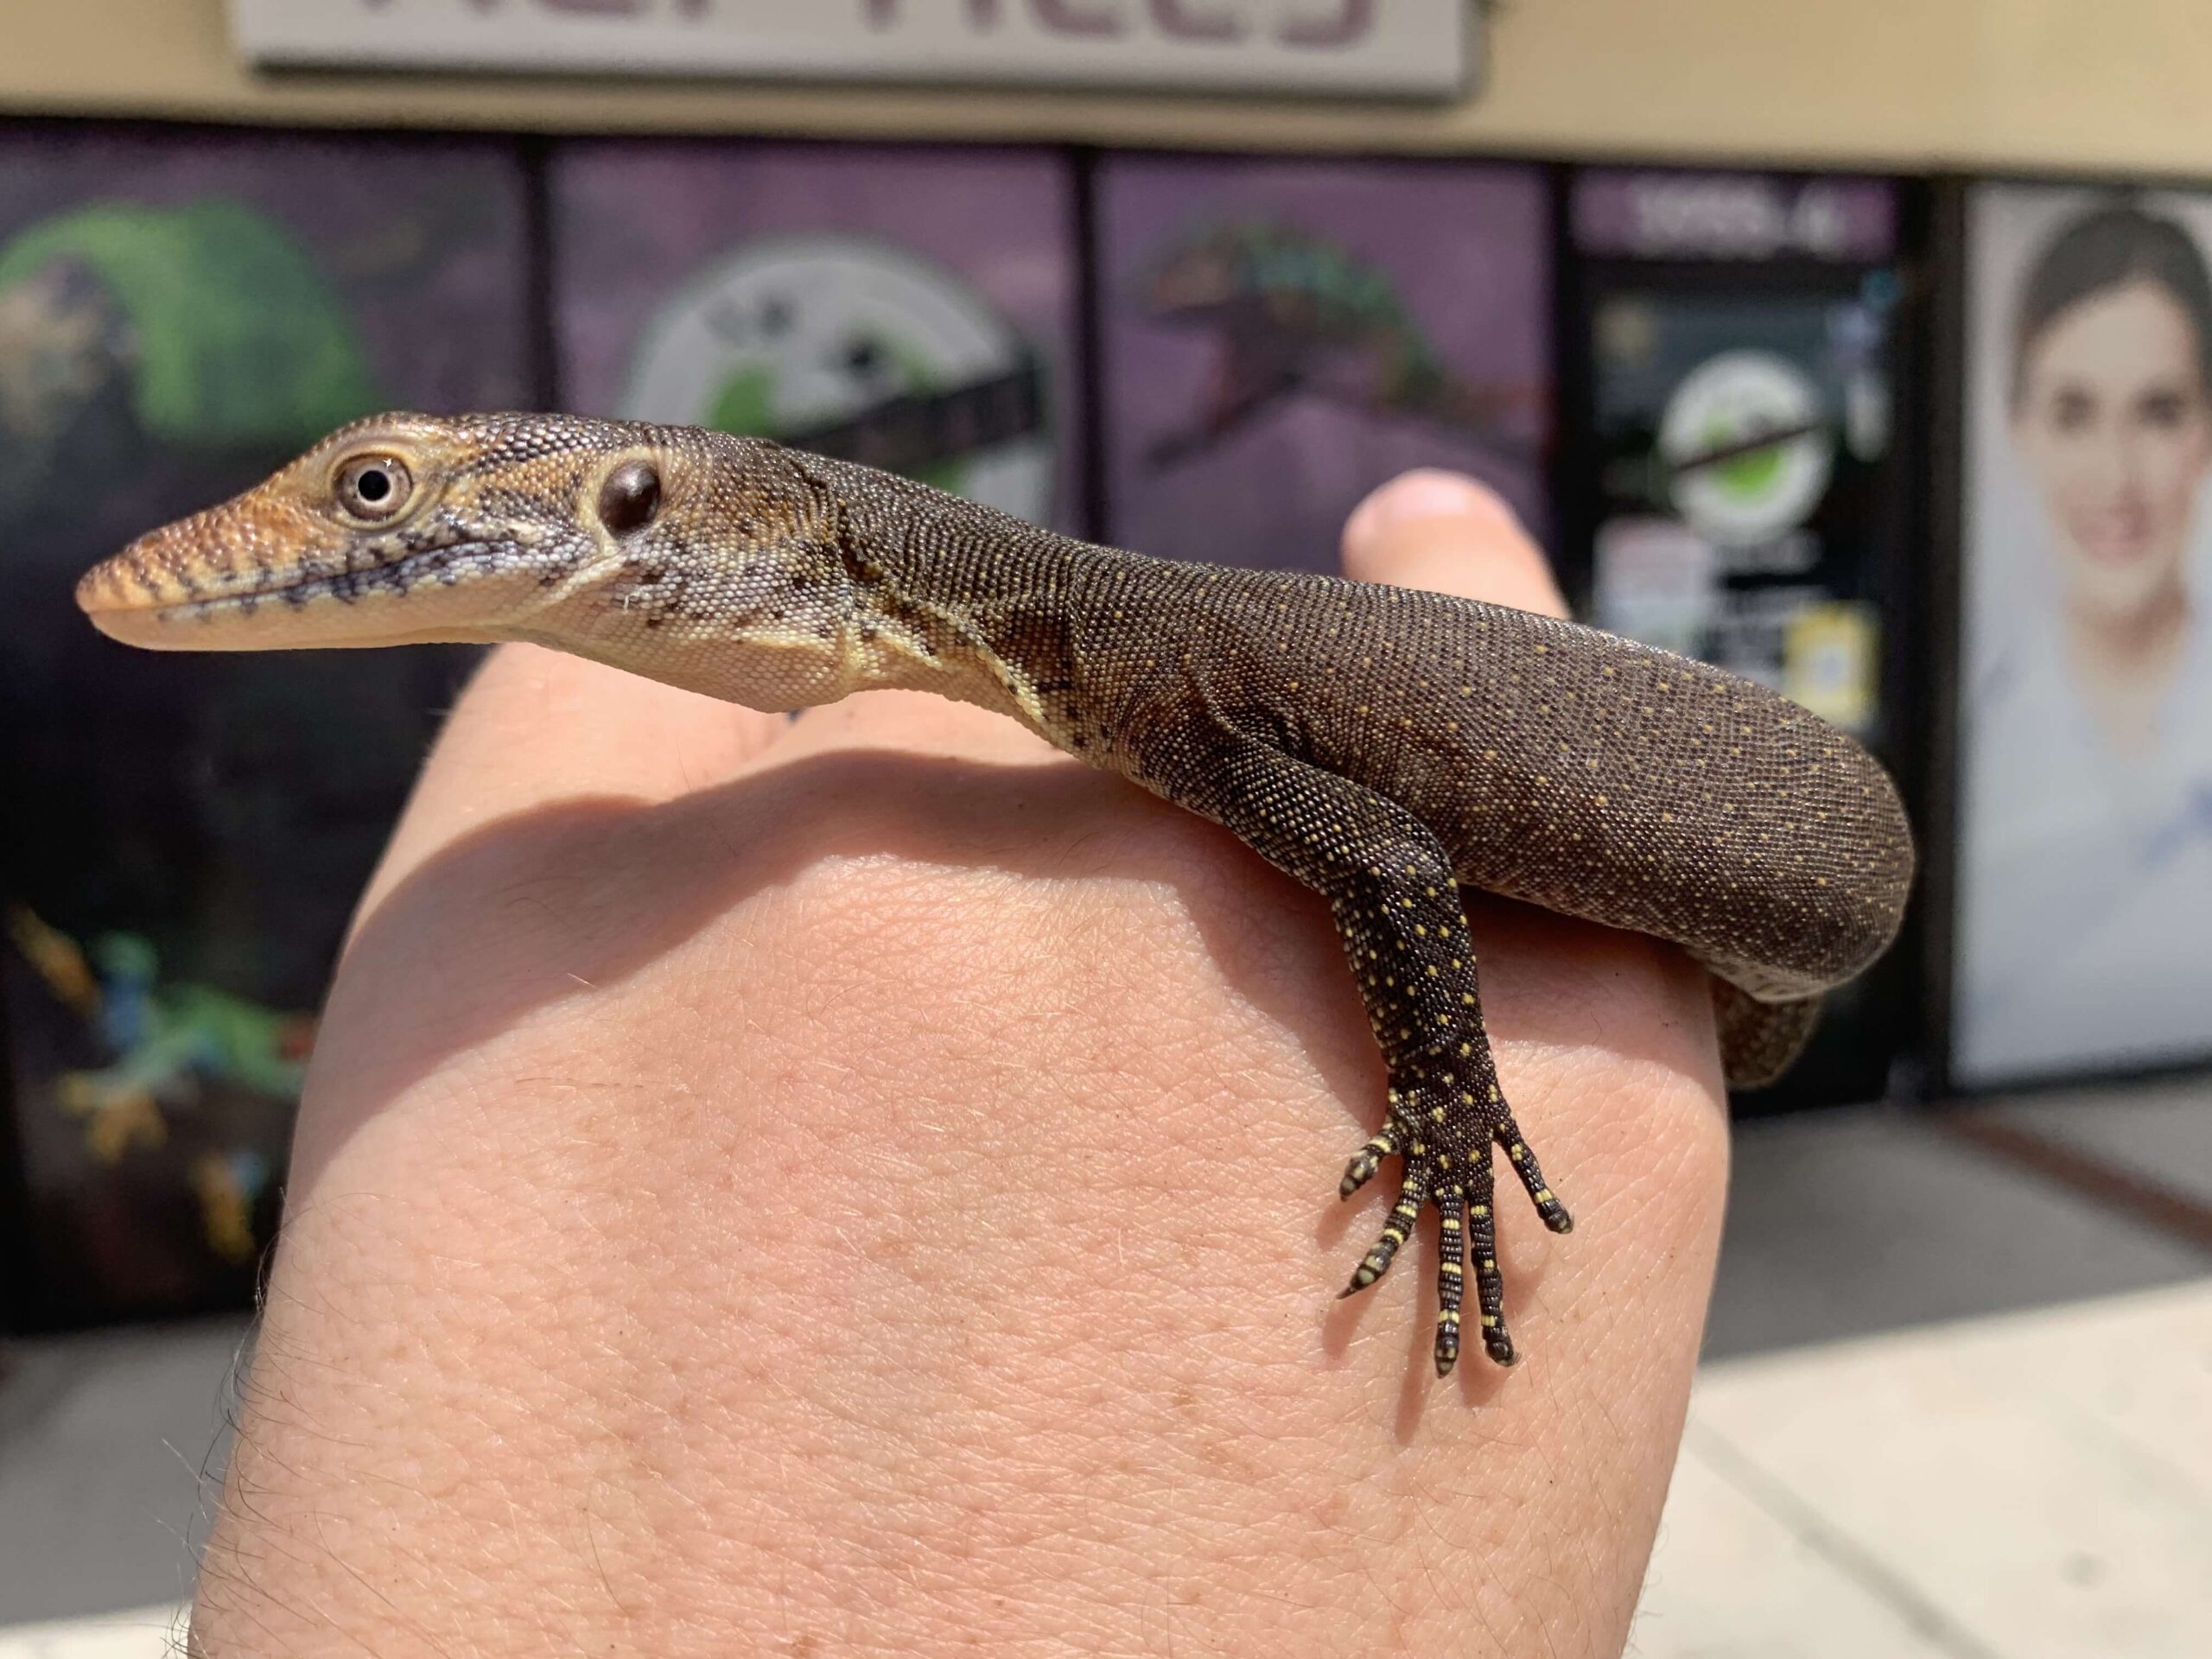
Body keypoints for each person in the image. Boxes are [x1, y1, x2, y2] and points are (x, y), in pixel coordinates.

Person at [183, 474, 1728, 1657]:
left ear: (648, 503)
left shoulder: (1153, 678)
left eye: (377, 491)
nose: (355, 520)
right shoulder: (1111, 667)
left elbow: (1389, 862)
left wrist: (1447, 1112)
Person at [1960, 201, 2212, 1079]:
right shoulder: (1966, 738)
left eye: (2158, 412)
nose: (2116, 477)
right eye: (2074, 413)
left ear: (2207, 430)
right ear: (2018, 429)